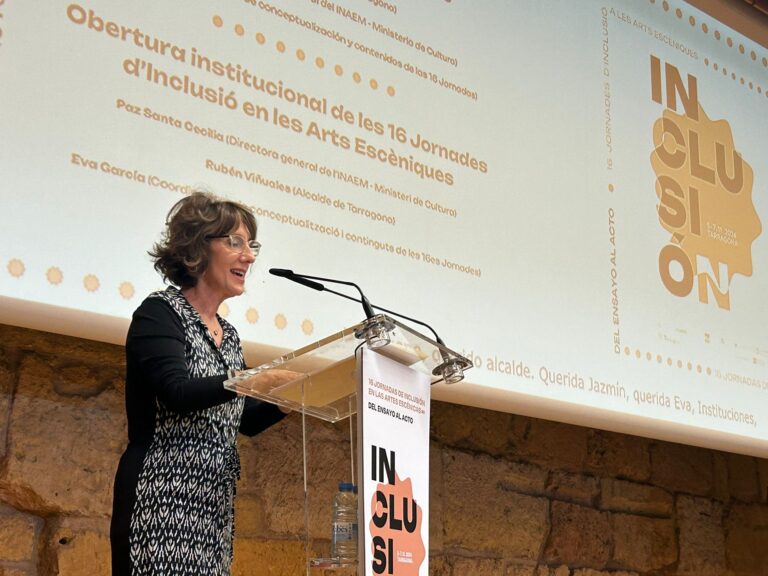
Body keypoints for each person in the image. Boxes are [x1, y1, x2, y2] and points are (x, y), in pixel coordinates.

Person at [110, 191, 287, 575]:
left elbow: (243, 419)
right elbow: (177, 393)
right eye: (235, 242)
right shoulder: (160, 313)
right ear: (197, 248)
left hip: (212, 508)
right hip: (161, 502)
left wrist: (291, 398)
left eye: (251, 244)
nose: (250, 256)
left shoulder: (230, 335)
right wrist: (255, 379)